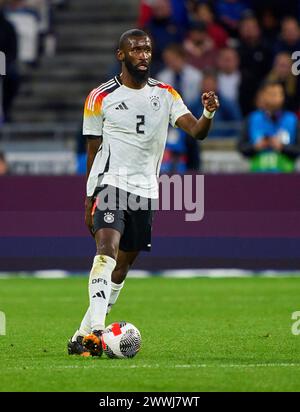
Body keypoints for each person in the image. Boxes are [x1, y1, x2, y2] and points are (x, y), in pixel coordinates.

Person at [68, 29, 219, 357]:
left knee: (121, 268)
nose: (143, 54)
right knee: (105, 253)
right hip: (111, 184)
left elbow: (197, 132)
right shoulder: (99, 97)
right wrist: (89, 196)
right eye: (135, 49)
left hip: (146, 192)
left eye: (147, 49)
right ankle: (96, 333)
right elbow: (93, 150)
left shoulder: (165, 94)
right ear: (120, 55)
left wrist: (207, 113)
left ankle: (81, 334)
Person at [238, 81, 300, 172]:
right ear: (263, 96)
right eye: (270, 94)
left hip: (286, 177)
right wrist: (256, 147)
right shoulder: (252, 119)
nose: (273, 97)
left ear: (283, 97)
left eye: (277, 94)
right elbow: (241, 147)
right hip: (257, 177)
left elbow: (298, 149)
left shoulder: (293, 120)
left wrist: (282, 147)